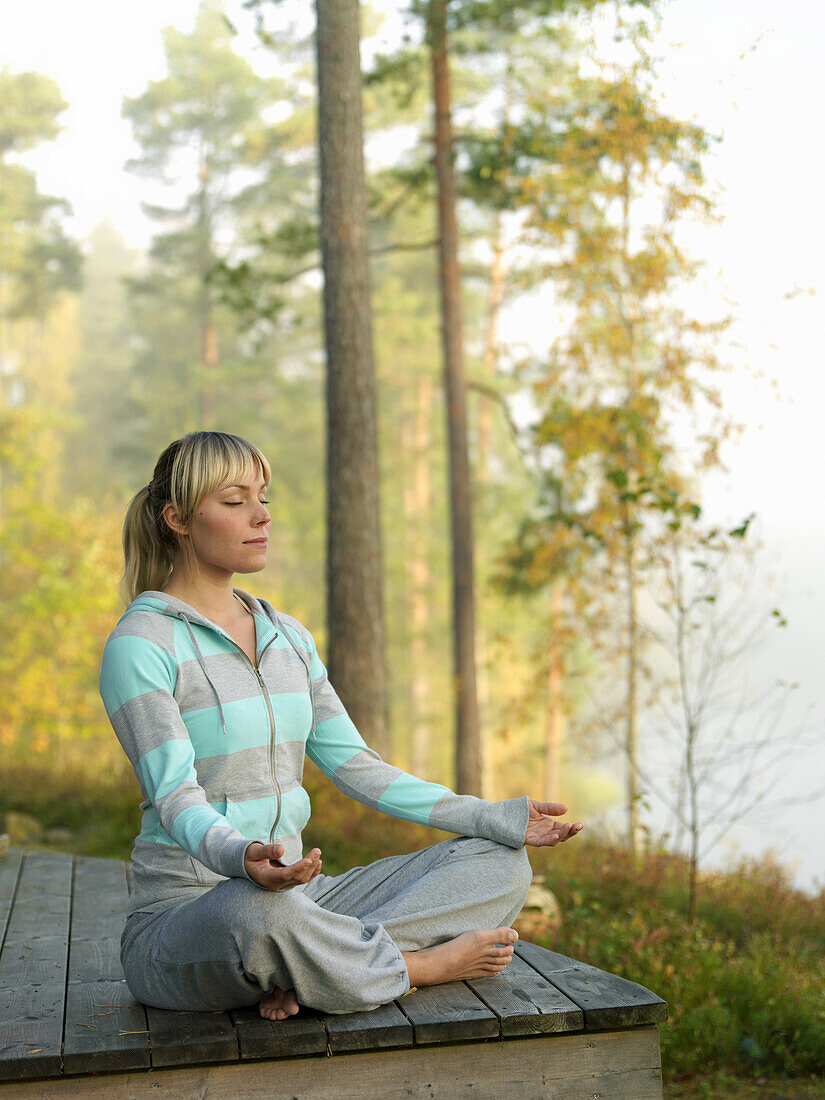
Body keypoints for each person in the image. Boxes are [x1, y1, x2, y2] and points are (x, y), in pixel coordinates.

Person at [99, 430, 583, 1021]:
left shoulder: (289, 640)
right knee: (258, 915)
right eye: (234, 502)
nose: (261, 516)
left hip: (302, 904)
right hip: (189, 919)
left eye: (263, 498)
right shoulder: (142, 644)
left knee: (500, 862)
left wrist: (492, 816)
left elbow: (360, 768)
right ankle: (412, 966)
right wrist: (242, 855)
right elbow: (174, 799)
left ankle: (314, 967)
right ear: (177, 518)